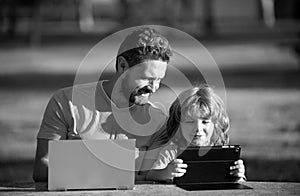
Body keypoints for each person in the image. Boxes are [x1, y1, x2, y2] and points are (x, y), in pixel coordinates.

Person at [32, 27, 173, 182]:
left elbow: (153, 177)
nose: (154, 88)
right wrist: (114, 174)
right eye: (147, 78)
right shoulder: (67, 102)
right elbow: (42, 168)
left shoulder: (158, 122)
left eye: (159, 79)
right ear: (122, 65)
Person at [142, 85, 246, 182]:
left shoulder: (221, 151)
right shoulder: (172, 152)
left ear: (216, 124)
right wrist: (166, 173)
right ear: (179, 125)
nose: (198, 128)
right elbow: (151, 175)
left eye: (205, 122)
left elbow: (236, 182)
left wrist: (239, 175)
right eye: (190, 122)